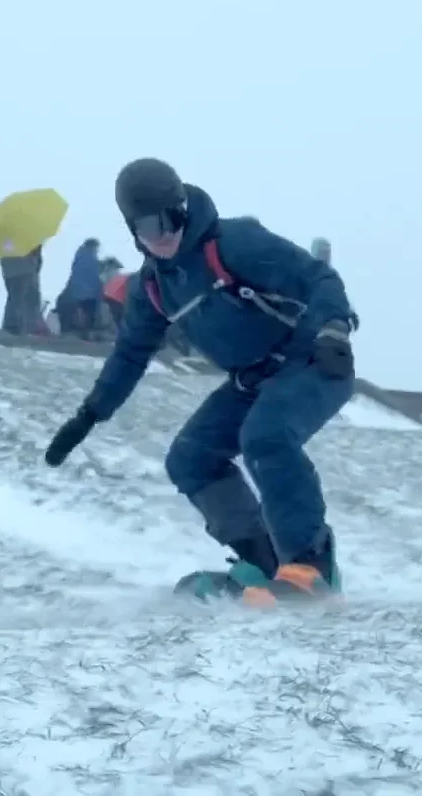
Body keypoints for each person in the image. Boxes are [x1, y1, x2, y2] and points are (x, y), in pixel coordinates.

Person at [43, 158, 357, 608]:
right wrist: (89, 413)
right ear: (134, 230)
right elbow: (130, 354)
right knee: (191, 458)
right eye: (152, 226)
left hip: (314, 360)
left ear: (185, 208)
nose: (165, 233)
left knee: (265, 437)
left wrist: (334, 329)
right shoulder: (152, 288)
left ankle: (311, 567)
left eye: (173, 218)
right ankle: (267, 566)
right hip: (253, 378)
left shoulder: (234, 244)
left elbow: (318, 277)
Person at [59, 239, 105, 335]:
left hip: (78, 292)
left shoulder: (80, 256)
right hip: (87, 293)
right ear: (93, 247)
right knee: (88, 314)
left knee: (82, 314)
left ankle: (82, 332)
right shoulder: (89, 258)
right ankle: (85, 333)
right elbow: (92, 275)